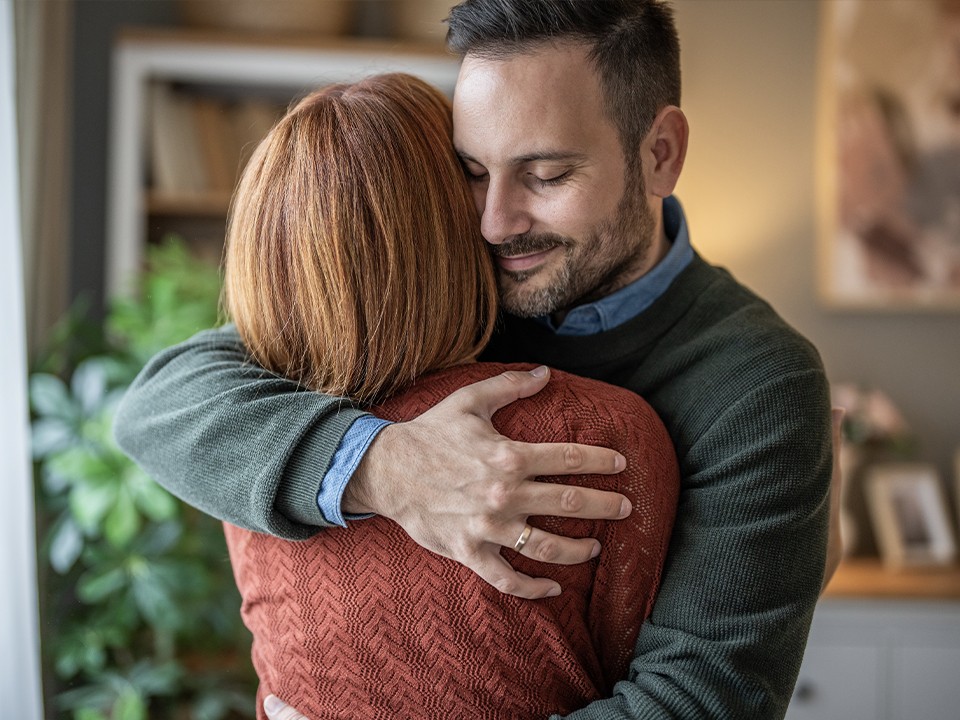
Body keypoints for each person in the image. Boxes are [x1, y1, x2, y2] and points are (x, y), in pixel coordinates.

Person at [115, 1, 838, 717]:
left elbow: (699, 703)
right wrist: (386, 467)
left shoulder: (761, 385)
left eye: (547, 175)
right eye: (472, 171)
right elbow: (161, 402)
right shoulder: (450, 290)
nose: (495, 223)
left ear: (660, 154)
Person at [216, 71, 679, 719]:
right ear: (450, 228)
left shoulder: (246, 449)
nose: (499, 218)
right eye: (473, 175)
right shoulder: (600, 433)